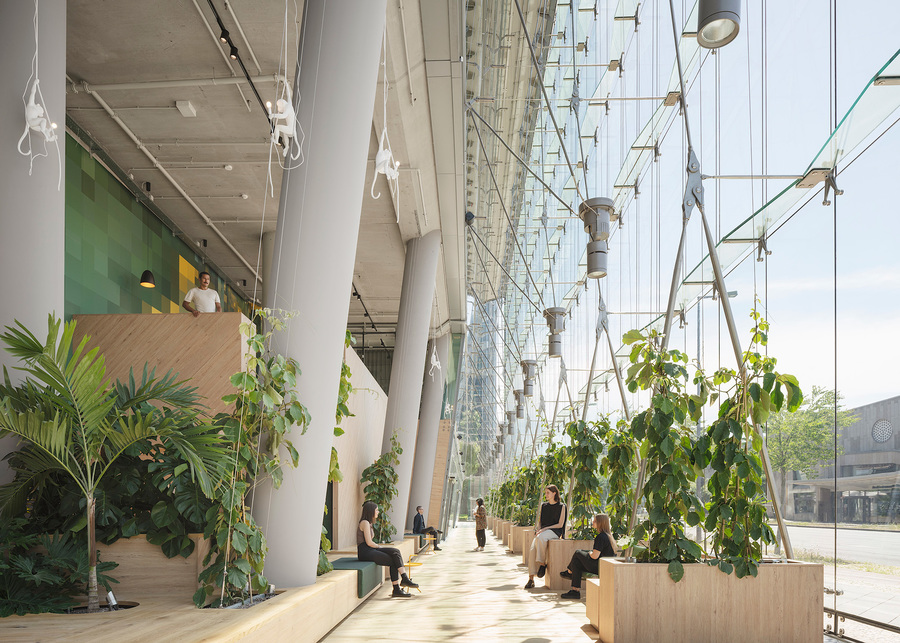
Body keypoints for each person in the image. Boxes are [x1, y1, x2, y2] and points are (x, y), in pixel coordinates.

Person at [357, 501, 418, 597]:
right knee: (393, 559)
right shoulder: (364, 523)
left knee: (395, 552)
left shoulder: (369, 523)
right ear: (370, 511)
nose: (378, 512)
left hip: (370, 549)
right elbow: (368, 542)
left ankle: (403, 580)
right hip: (365, 551)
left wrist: (378, 547)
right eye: (376, 510)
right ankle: (397, 588)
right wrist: (379, 547)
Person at [559, 513, 617, 599]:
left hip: (600, 568)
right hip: (605, 567)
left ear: (600, 523)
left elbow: (594, 556)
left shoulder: (601, 537)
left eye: (595, 521)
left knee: (578, 552)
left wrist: (590, 553)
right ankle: (575, 591)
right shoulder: (608, 537)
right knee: (576, 562)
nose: (592, 522)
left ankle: (569, 572)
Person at [524, 485, 567, 589]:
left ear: (554, 493)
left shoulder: (562, 506)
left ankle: (542, 564)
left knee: (540, 538)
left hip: (555, 531)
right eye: (546, 493)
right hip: (543, 532)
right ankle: (531, 579)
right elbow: (540, 522)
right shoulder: (544, 506)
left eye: (548, 493)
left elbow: (560, 524)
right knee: (532, 549)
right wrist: (538, 530)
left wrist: (544, 530)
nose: (546, 495)